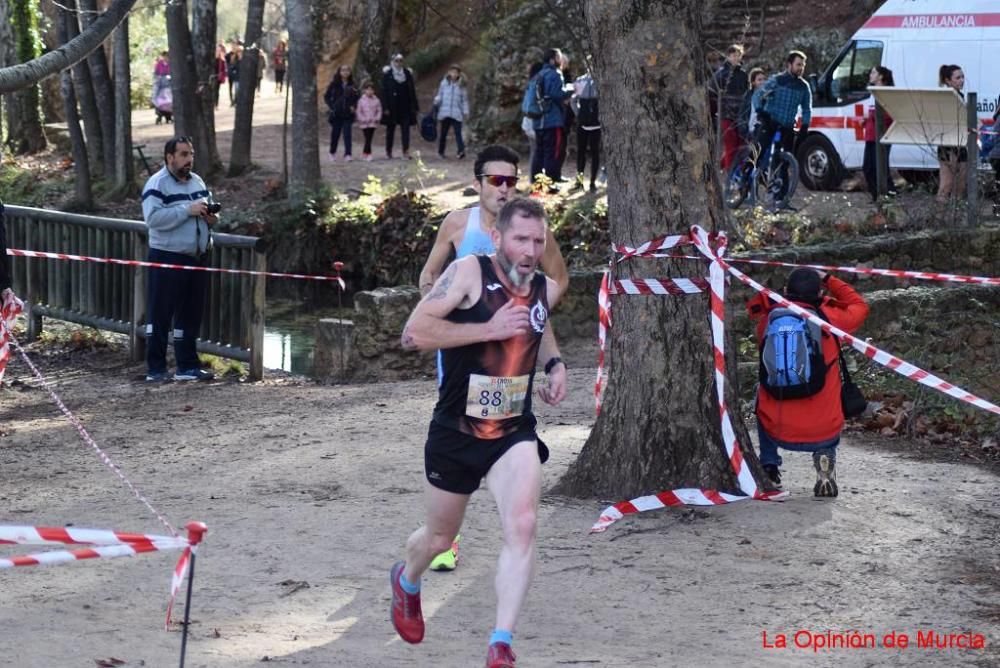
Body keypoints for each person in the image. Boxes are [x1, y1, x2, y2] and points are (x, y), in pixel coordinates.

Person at [392, 196, 568, 668]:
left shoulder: (542, 288)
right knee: (438, 538)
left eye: (538, 240)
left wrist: (552, 363)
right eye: (520, 239)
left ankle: (501, 643)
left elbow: (538, 321)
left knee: (523, 525)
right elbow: (414, 333)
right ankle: (407, 581)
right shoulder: (470, 273)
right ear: (497, 238)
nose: (530, 249)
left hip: (513, 431)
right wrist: (487, 329)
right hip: (456, 430)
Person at [747, 268, 869, 497]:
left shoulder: (769, 321)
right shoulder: (831, 318)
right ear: (819, 293)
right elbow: (860, 306)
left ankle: (769, 466)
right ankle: (825, 458)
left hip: (778, 430)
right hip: (824, 431)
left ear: (786, 291)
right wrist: (829, 279)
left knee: (761, 391)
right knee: (830, 391)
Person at [141, 138, 217, 383]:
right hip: (167, 256)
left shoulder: (197, 180)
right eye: (183, 154)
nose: (189, 159)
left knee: (190, 313)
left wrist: (211, 217)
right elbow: (153, 219)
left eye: (191, 154)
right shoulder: (157, 184)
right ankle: (156, 369)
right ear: (169, 157)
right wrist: (187, 210)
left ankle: (187, 366)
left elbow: (205, 208)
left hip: (197, 255)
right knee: (160, 313)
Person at [757, 50, 812, 207]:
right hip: (770, 122)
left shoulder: (804, 86)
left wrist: (805, 126)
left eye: (803, 65)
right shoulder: (777, 80)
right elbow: (758, 95)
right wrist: (760, 110)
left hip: (788, 127)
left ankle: (782, 199)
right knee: (758, 153)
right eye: (798, 64)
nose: (801, 68)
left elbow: (807, 109)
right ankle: (746, 184)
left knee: (784, 162)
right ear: (789, 65)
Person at [529, 48, 570, 191]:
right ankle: (550, 184)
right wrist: (572, 90)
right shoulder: (555, 74)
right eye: (559, 57)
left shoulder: (539, 73)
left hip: (538, 120)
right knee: (552, 152)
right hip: (552, 120)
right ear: (553, 60)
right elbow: (557, 94)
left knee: (538, 152)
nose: (561, 60)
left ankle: (536, 183)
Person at [713, 45, 750, 171]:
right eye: (733, 55)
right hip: (725, 115)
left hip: (740, 116)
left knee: (741, 145)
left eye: (738, 55)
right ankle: (730, 176)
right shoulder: (720, 74)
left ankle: (718, 167)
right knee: (731, 144)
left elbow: (747, 94)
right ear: (728, 56)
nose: (736, 58)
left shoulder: (744, 75)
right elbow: (711, 93)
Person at [862, 66, 895, 202]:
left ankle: (885, 194)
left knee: (879, 168)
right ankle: (877, 195)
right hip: (870, 136)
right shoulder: (873, 93)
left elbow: (890, 115)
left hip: (882, 136)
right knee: (868, 168)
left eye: (874, 72)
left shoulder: (887, 93)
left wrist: (872, 116)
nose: (870, 74)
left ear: (881, 76)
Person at [936, 64, 968, 205]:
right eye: (957, 78)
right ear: (948, 81)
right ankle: (938, 218)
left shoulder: (960, 96)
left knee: (961, 184)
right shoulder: (946, 98)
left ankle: (956, 215)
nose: (961, 80)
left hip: (960, 143)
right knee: (946, 184)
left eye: (962, 77)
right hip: (947, 144)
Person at [381, 53, 419, 159]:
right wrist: (385, 107)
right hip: (392, 106)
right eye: (396, 61)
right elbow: (384, 92)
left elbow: (412, 91)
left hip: (405, 106)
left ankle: (405, 151)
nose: (398, 63)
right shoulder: (388, 74)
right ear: (393, 61)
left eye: (400, 60)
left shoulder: (407, 74)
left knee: (406, 130)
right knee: (390, 130)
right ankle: (388, 151)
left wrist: (415, 107)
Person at [570, 67, 600, 192]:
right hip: (590, 123)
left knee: (587, 153)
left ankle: (589, 182)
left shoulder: (598, 80)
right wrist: (579, 114)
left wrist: (579, 114)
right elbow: (573, 100)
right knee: (590, 153)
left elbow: (573, 100)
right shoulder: (596, 80)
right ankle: (585, 182)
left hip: (592, 124)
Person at [433, 64, 470, 159]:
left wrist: (466, 111)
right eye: (452, 72)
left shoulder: (462, 85)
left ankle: (461, 151)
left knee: (458, 133)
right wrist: (437, 100)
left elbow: (464, 100)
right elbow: (440, 94)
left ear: (459, 74)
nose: (453, 74)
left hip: (456, 112)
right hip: (445, 112)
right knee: (443, 133)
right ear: (449, 72)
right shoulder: (444, 83)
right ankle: (441, 151)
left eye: (456, 72)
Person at [324, 64, 358, 162]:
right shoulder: (334, 84)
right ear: (339, 72)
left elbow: (357, 97)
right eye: (343, 70)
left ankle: (348, 154)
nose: (345, 72)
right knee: (335, 134)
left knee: (347, 134)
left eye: (347, 70)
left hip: (348, 114)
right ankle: (332, 152)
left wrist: (354, 106)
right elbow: (326, 96)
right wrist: (332, 106)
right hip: (337, 114)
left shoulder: (353, 84)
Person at [520, 62, 543, 173]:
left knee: (534, 152)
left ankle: (533, 179)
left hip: (527, 121)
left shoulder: (530, 83)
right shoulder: (538, 84)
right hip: (536, 122)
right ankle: (537, 180)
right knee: (538, 152)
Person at [355, 80, 383, 162]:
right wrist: (363, 119)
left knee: (369, 138)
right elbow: (359, 111)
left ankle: (367, 153)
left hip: (373, 122)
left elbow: (379, 110)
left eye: (371, 90)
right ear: (364, 90)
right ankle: (367, 153)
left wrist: (377, 118)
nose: (370, 91)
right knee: (367, 138)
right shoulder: (361, 100)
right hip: (364, 123)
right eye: (368, 89)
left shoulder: (377, 100)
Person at [737, 67, 766, 142]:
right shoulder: (747, 97)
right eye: (759, 80)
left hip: (762, 131)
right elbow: (741, 115)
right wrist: (744, 132)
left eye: (764, 79)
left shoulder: (767, 97)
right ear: (753, 82)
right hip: (749, 132)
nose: (762, 82)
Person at [226, 40, 242, 106]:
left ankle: (236, 101)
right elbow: (229, 65)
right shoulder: (229, 56)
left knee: (237, 89)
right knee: (231, 88)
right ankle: (232, 101)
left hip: (238, 76)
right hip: (231, 75)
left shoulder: (243, 59)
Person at [214, 44, 228, 109]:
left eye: (219, 50)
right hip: (212, 77)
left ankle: (216, 104)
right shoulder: (212, 59)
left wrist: (223, 75)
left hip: (218, 77)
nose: (217, 52)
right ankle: (213, 104)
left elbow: (224, 69)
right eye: (216, 50)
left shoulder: (222, 60)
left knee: (216, 91)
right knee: (212, 91)